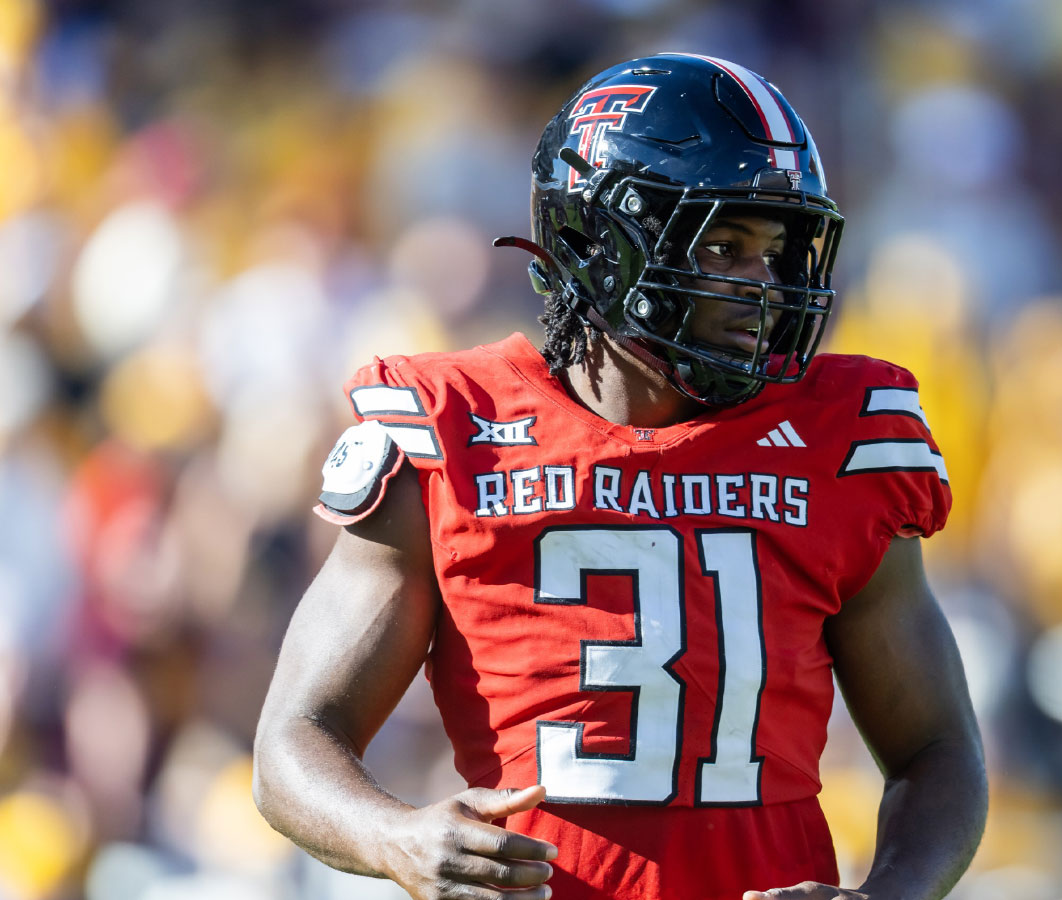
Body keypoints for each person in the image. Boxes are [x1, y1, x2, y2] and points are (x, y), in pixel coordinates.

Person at [253, 53, 986, 900]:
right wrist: (395, 837)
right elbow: (291, 742)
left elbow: (938, 751)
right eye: (726, 244)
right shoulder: (456, 432)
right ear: (600, 245)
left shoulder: (838, 440)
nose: (768, 287)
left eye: (780, 250)